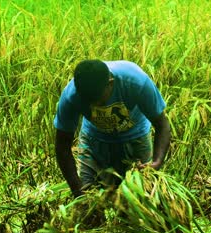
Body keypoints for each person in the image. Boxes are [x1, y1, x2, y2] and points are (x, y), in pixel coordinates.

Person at [54, 59, 171, 198]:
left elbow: (162, 124)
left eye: (98, 99)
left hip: (135, 136)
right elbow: (62, 145)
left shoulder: (135, 81)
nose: (93, 105)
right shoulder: (71, 96)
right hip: (93, 140)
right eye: (87, 100)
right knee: (88, 200)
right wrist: (76, 189)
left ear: (110, 83)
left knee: (138, 199)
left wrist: (157, 162)